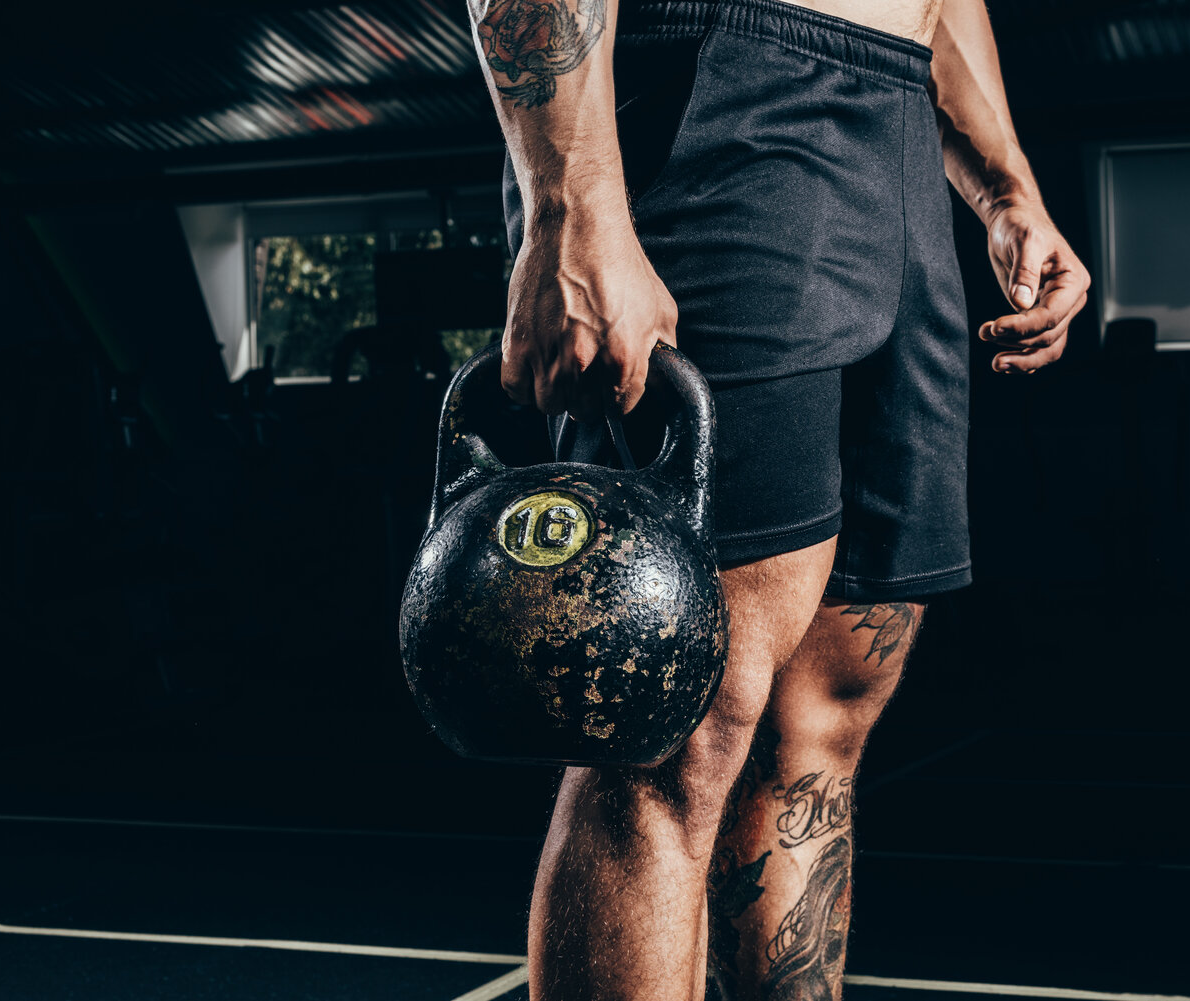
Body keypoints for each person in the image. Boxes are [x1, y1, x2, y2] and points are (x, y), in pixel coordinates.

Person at [467, 0, 1090, 996]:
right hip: (721, 88)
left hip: (895, 118)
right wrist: (568, 207)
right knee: (668, 730)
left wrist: (1006, 188)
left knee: (822, 724)